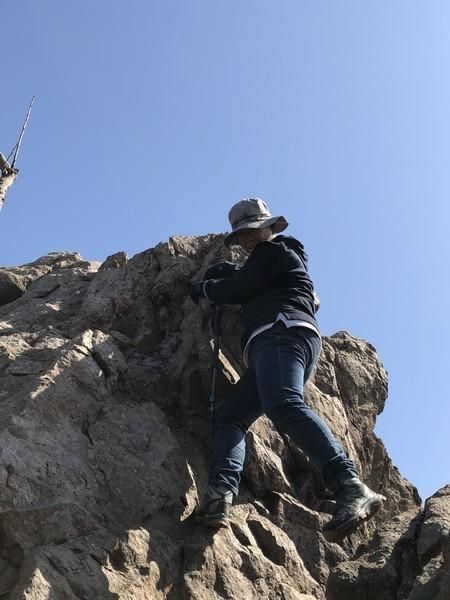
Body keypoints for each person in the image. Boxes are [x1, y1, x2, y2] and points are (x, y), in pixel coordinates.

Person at [190, 198, 385, 541]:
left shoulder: (273, 251)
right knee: (231, 415)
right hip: (281, 343)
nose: (248, 239)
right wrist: (233, 273)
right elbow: (250, 280)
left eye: (253, 230)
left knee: (282, 402)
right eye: (241, 237)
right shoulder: (277, 262)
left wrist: (206, 288)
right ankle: (220, 495)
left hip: (280, 333)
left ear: (269, 227)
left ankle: (350, 484)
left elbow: (236, 289)